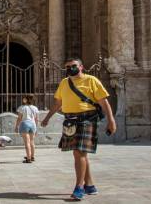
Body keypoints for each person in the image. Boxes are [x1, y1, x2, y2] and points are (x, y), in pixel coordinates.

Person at [41, 57, 117, 202]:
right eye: (67, 67)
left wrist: (111, 120)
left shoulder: (91, 80)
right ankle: (90, 185)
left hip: (87, 118)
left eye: (73, 66)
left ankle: (79, 187)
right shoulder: (64, 83)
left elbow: (103, 102)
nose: (70, 69)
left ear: (81, 67)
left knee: (78, 152)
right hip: (70, 120)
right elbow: (58, 103)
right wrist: (47, 117)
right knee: (81, 153)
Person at [15, 94, 39, 164]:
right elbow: (37, 119)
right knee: (32, 141)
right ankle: (32, 156)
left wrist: (16, 126)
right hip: (33, 124)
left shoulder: (22, 107)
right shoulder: (35, 108)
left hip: (25, 124)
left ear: (25, 99)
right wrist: (36, 128)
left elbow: (19, 118)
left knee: (27, 142)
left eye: (24, 98)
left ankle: (28, 159)